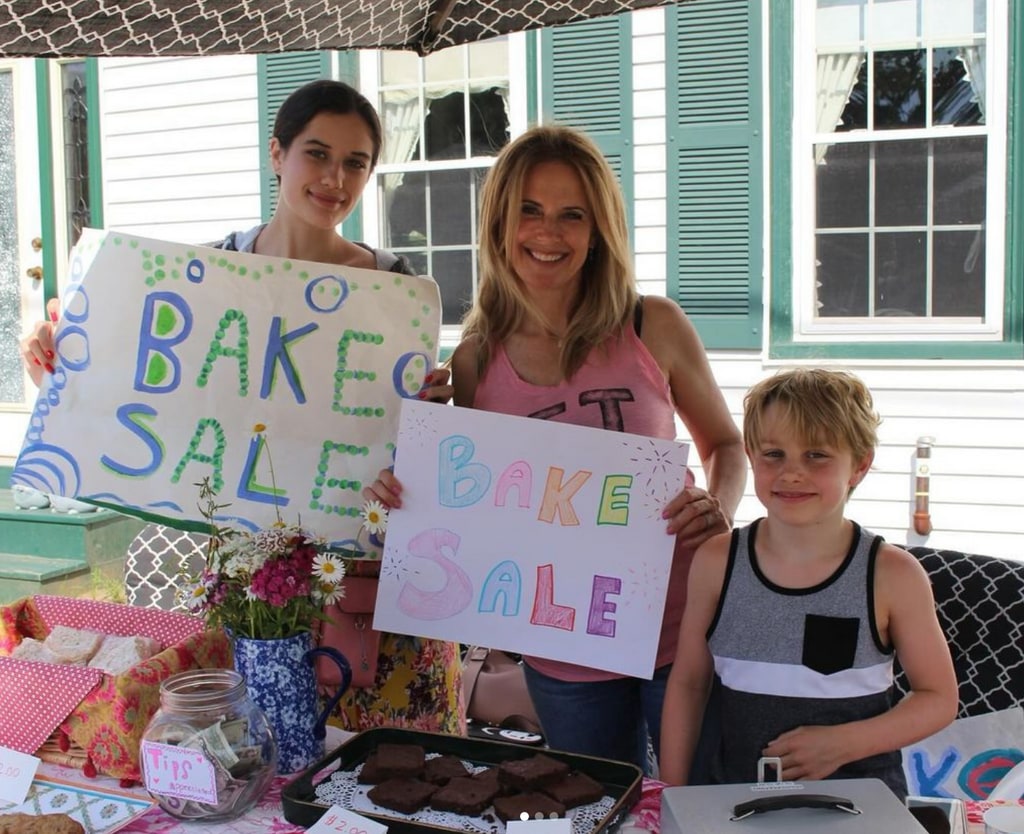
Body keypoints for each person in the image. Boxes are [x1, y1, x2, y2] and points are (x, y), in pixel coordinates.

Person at [19, 79, 464, 736]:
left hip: (371, 582)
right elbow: (142, 394)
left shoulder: (394, 290)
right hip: (258, 584)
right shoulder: (206, 279)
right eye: (317, 154)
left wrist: (431, 419)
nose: (335, 178)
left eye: (356, 162)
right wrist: (62, 364)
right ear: (276, 154)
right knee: (264, 763)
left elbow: (410, 448)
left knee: (391, 772)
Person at [366, 124, 747, 772]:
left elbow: (727, 445)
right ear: (500, 225)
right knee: (595, 803)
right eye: (530, 212)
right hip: (564, 642)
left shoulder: (652, 325)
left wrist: (719, 503)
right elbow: (474, 504)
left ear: (599, 229)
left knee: (706, 802)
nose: (550, 233)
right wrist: (406, 477)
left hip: (685, 624)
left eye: (573, 215)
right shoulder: (477, 359)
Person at [660, 368, 958, 798]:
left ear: (859, 464)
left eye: (816, 455)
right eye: (774, 454)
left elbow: (938, 698)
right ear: (750, 455)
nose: (792, 473)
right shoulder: (716, 561)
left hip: (861, 808)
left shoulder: (892, 573)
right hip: (734, 802)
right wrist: (671, 795)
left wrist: (843, 744)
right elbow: (689, 683)